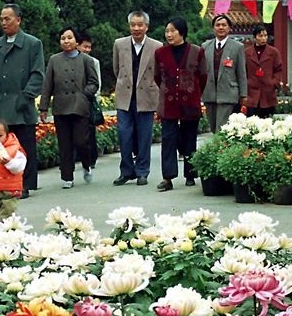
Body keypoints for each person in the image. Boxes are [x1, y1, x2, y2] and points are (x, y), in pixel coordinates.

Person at [0, 4, 44, 199]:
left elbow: (37, 74)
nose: (3, 22)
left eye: (7, 19)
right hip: (1, 103)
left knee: (24, 146)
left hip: (22, 105)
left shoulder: (33, 43)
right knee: (2, 146)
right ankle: (5, 183)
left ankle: (25, 184)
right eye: (1, 19)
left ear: (18, 20)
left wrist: (25, 96)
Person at [39, 27, 99, 189]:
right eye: (63, 38)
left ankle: (86, 164)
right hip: (61, 106)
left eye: (69, 38)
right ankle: (67, 176)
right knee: (64, 143)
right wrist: (43, 107)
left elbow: (94, 82)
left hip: (80, 106)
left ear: (77, 42)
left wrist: (86, 95)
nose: (66, 41)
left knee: (81, 141)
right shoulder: (54, 60)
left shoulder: (86, 60)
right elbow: (47, 85)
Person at [154, 17, 207, 191]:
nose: (169, 34)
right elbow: (157, 77)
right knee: (168, 139)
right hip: (168, 102)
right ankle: (167, 178)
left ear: (182, 33)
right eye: (167, 31)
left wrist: (191, 91)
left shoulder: (197, 51)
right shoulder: (160, 53)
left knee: (189, 138)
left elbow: (203, 76)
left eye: (172, 31)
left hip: (189, 101)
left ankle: (190, 174)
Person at [112, 10, 161, 186]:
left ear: (147, 26)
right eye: (133, 24)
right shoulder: (119, 44)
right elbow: (116, 69)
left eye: (140, 25)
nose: (136, 28)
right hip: (125, 96)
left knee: (144, 136)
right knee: (123, 134)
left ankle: (142, 171)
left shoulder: (156, 46)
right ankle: (126, 171)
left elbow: (158, 73)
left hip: (146, 96)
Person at [201, 14, 246, 133]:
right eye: (218, 25)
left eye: (224, 25)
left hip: (228, 92)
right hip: (209, 92)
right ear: (213, 28)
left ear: (229, 28)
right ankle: (218, 148)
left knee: (221, 127)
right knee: (213, 127)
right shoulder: (205, 46)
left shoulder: (237, 47)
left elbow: (241, 72)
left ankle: (219, 149)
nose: (221, 27)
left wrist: (243, 94)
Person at [244, 25, 283, 117]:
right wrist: (247, 83)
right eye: (260, 36)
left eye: (265, 36)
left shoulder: (273, 52)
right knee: (252, 122)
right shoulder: (246, 52)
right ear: (254, 37)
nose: (263, 38)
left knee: (267, 122)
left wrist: (273, 83)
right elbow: (242, 70)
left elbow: (278, 69)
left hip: (268, 92)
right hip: (251, 92)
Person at [77, 32, 100, 170]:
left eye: (89, 47)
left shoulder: (93, 62)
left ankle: (92, 158)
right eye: (85, 47)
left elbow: (98, 82)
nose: (87, 50)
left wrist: (93, 97)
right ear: (77, 45)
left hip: (89, 101)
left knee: (90, 132)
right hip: (73, 101)